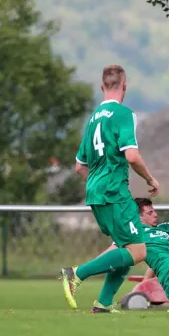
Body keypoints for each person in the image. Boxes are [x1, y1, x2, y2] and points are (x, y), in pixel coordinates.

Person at [59, 64, 159, 313]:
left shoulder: (92, 120)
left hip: (96, 193)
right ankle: (76, 273)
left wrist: (98, 183)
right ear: (125, 86)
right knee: (138, 251)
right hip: (115, 193)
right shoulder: (124, 114)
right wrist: (150, 180)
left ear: (102, 87)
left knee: (126, 246)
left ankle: (103, 304)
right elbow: (132, 157)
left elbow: (79, 167)